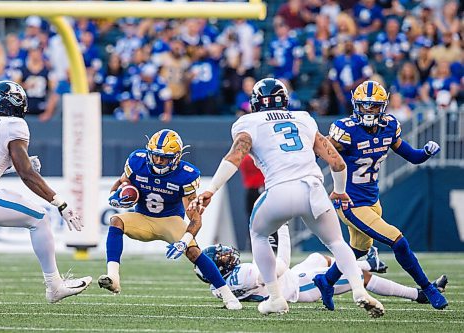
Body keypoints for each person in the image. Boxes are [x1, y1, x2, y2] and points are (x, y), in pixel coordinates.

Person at [189, 78, 384, 317]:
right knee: (336, 243)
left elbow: (236, 155)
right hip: (313, 189)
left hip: (279, 191)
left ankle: (275, 297)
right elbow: (337, 162)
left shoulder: (249, 122)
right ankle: (358, 289)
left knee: (258, 234)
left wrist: (212, 189)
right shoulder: (303, 118)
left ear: (256, 103)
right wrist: (340, 190)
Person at [317, 80, 447, 311]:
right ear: (356, 106)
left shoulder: (389, 126)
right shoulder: (345, 130)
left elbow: (412, 156)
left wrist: (425, 153)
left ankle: (326, 281)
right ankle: (428, 288)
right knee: (398, 241)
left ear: (383, 106)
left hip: (372, 200)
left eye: (374, 106)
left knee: (358, 250)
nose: (369, 111)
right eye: (365, 106)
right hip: (350, 202)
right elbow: (321, 151)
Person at [0, 80, 91, 303]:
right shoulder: (14, 124)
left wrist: (14, 166)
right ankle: (54, 286)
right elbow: (27, 174)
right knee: (40, 218)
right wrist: (60, 203)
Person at [98, 129, 242, 310]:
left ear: (176, 157)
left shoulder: (186, 175)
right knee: (116, 221)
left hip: (170, 220)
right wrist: (115, 196)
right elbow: (121, 183)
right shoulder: (137, 161)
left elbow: (195, 220)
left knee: (194, 252)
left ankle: (228, 296)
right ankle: (113, 277)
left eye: (164, 158)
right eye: (155, 156)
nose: (158, 161)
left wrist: (183, 242)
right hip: (142, 217)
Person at [196, 225, 448, 305]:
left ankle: (362, 263)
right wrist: (282, 231)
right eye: (222, 258)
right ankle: (418, 295)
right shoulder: (244, 274)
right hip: (301, 286)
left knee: (320, 257)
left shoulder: (220, 287)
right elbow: (281, 265)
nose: (228, 255)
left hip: (292, 278)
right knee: (359, 279)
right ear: (220, 269)